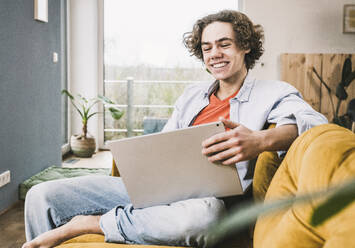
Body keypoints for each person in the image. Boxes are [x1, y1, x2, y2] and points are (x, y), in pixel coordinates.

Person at [22, 10, 327, 248]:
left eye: (224, 44)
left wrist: (260, 139)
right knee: (41, 195)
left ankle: (90, 224)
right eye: (207, 47)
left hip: (207, 202)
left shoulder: (273, 92)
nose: (214, 54)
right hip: (158, 192)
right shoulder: (192, 95)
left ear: (245, 46)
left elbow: (316, 124)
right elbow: (165, 145)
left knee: (203, 219)